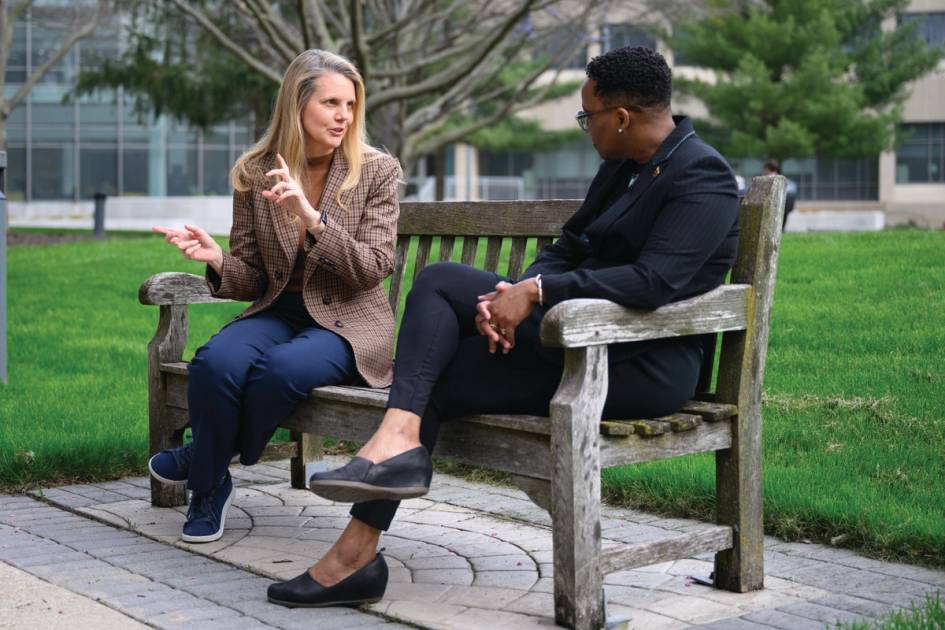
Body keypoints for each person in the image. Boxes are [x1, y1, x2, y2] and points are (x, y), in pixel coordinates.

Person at [265, 45, 741, 609]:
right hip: (566, 339)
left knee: (432, 348)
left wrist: (535, 294)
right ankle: (373, 508)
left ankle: (369, 508)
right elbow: (569, 246)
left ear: (621, 117)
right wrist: (506, 300)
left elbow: (654, 280)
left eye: (588, 116)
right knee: (435, 324)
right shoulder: (622, 167)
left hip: (639, 364)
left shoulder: (702, 175)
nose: (586, 128)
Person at [148, 49, 401, 546]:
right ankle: (213, 483)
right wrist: (217, 259)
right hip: (278, 310)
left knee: (280, 371)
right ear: (297, 105)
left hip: (347, 322)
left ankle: (202, 468)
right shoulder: (255, 170)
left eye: (350, 104)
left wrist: (313, 219)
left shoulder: (376, 171)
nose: (344, 116)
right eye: (330, 103)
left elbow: (373, 267)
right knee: (215, 362)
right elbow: (253, 277)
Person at [762, 159, 797, 229]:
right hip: (788, 201)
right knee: (782, 222)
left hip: (776, 202)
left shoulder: (766, 179)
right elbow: (793, 189)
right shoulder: (783, 178)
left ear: (767, 168)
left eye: (764, 169)